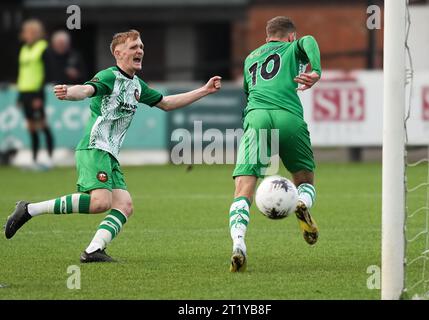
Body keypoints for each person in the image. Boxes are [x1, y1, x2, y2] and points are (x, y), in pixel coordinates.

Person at [5, 29, 222, 263]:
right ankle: (29, 209)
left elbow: (167, 103)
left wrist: (204, 90)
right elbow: (86, 90)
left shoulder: (138, 85)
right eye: (133, 47)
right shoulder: (109, 76)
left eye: (141, 47)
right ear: (118, 53)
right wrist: (70, 92)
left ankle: (93, 250)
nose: (139, 50)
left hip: (109, 154)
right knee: (100, 203)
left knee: (124, 205)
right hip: (95, 147)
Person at [228, 16, 322, 272]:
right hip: (289, 116)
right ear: (291, 36)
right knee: (304, 180)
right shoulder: (295, 46)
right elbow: (309, 41)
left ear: (266, 37)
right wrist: (316, 71)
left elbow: (248, 93)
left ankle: (239, 243)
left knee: (243, 188)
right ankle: (301, 203)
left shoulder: (250, 58)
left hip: (257, 115)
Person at [16, 19, 54, 169]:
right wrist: (19, 95)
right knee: (31, 127)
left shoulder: (43, 48)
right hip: (25, 92)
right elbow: (22, 73)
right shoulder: (24, 49)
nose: (26, 35)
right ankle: (34, 159)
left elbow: (48, 73)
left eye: (29, 32)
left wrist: (39, 95)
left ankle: (50, 158)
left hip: (36, 92)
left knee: (42, 125)